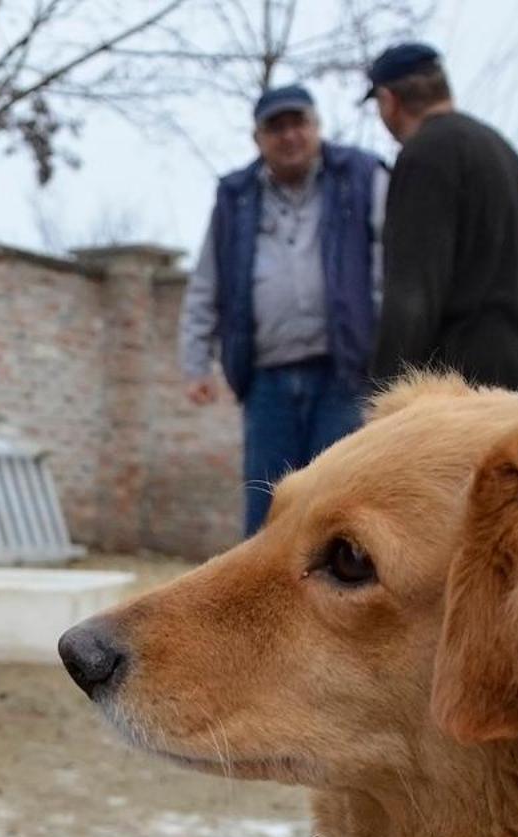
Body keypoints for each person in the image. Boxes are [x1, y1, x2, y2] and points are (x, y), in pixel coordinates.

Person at [180, 84, 387, 536]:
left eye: (298, 123)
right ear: (258, 139)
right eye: (276, 127)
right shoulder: (235, 197)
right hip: (266, 381)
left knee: (338, 508)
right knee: (265, 513)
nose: (289, 135)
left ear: (316, 127)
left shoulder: (361, 175)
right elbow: (207, 280)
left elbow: (390, 265)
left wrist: (388, 344)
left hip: (344, 374)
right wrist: (196, 363)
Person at [364, 42, 518, 393]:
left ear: (389, 100)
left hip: (456, 382)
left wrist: (386, 391)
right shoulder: (502, 151)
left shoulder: (424, 156)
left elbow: (413, 287)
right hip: (513, 371)